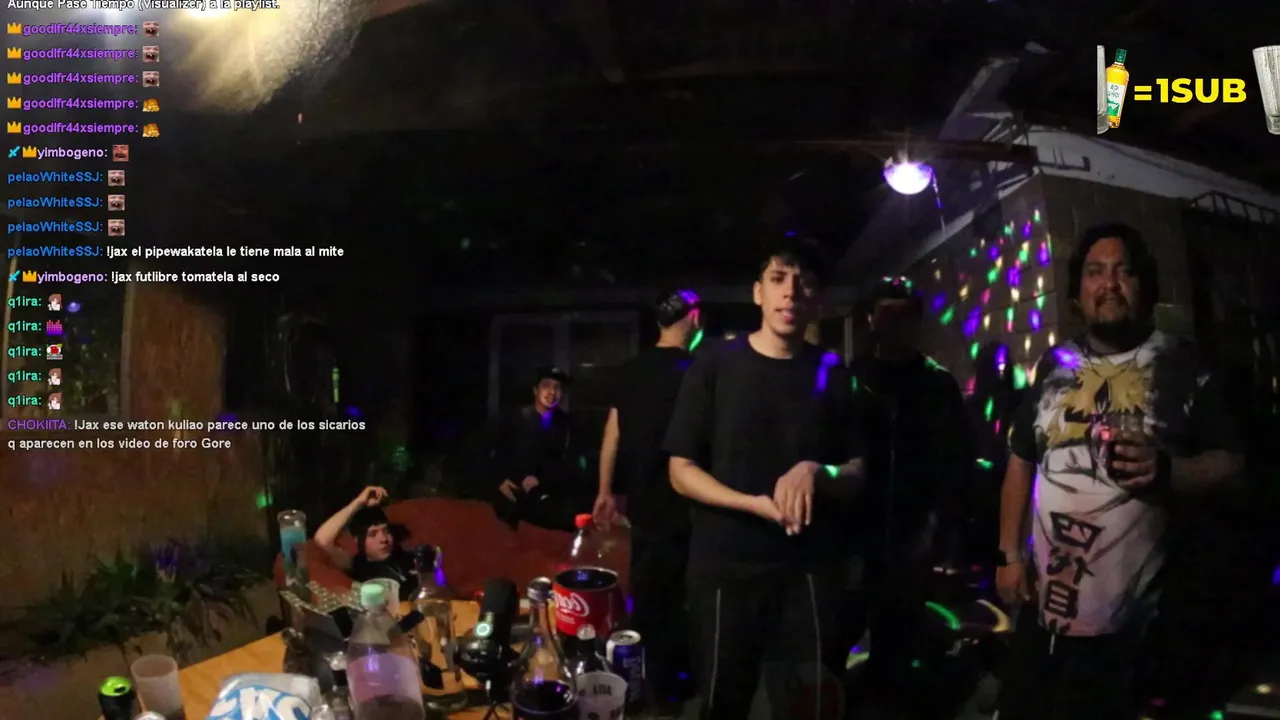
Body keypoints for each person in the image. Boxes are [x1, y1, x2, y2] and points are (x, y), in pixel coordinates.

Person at [994, 223, 1245, 720]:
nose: (1109, 283)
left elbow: (1233, 464)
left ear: (1143, 286)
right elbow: (1022, 459)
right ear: (1077, 293)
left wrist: (1169, 471)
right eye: (1094, 272)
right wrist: (1008, 555)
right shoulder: (1054, 363)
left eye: (1123, 271)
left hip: (1135, 633)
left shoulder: (1182, 363)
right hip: (1044, 614)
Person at [663, 239, 864, 720]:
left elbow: (858, 471)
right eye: (778, 279)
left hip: (808, 569)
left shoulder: (832, 371)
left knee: (810, 701)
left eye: (804, 283)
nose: (790, 291)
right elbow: (680, 471)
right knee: (724, 703)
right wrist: (753, 504)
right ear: (758, 293)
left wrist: (818, 470)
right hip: (725, 569)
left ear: (817, 300)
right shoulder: (715, 363)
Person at [846, 276, 971, 710]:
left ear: (917, 321)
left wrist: (939, 530)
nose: (894, 323)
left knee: (901, 630)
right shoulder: (853, 378)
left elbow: (955, 463)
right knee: (847, 623)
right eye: (886, 312)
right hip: (856, 529)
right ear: (870, 319)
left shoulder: (938, 384)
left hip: (914, 531)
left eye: (904, 314)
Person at [593, 289, 703, 713]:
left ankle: (646, 689)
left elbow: (612, 433)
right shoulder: (696, 370)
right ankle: (677, 689)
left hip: (644, 509)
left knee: (649, 600)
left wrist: (605, 490)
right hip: (690, 507)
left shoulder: (630, 371)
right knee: (685, 602)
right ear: (694, 318)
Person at [490, 366, 578, 531]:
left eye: (558, 388)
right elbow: (494, 453)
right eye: (546, 386)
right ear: (535, 390)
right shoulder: (516, 418)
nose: (552, 392)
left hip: (548, 493)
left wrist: (544, 480)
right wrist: (499, 481)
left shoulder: (566, 424)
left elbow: (572, 463)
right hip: (513, 492)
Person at [315, 485, 419, 599]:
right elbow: (322, 540)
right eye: (372, 534)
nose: (384, 539)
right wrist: (359, 502)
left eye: (386, 531)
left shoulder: (404, 556)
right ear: (357, 540)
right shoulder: (357, 565)